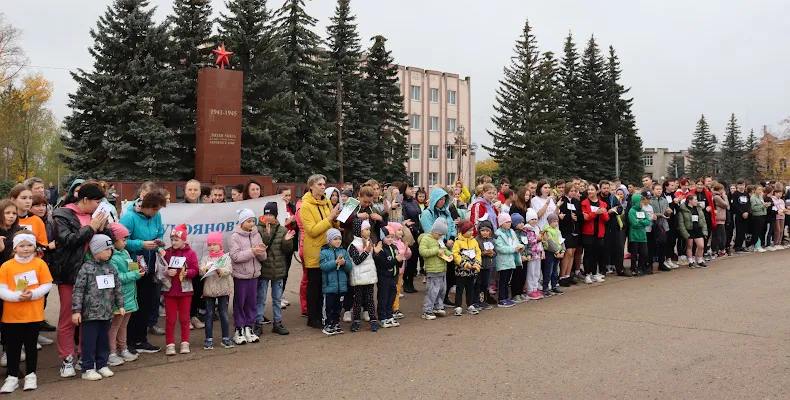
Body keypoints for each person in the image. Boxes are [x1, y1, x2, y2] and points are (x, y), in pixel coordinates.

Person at [52, 183, 114, 377]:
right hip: (70, 274)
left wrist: (103, 229)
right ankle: (66, 358)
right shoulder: (62, 215)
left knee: (89, 318)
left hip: (94, 275)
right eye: (97, 201)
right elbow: (67, 240)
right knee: (69, 318)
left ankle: (85, 357)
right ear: (85, 200)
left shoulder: (97, 216)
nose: (99, 206)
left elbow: (109, 242)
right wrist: (91, 227)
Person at [0, 232, 53, 393]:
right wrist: (17, 297)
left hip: (33, 313)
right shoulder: (7, 266)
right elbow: (2, 289)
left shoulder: (39, 264)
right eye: (22, 246)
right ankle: (12, 377)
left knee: (31, 346)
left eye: (29, 245)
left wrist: (33, 294)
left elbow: (47, 284)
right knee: (13, 347)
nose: (26, 249)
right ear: (15, 248)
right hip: (12, 315)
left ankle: (31, 375)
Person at [72, 234, 124, 381]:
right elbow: (78, 290)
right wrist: (76, 311)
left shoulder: (111, 268)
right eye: (106, 249)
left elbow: (117, 287)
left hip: (106, 312)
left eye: (111, 249)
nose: (110, 252)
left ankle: (102, 364)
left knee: (103, 340)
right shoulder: (86, 268)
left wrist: (120, 305)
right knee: (89, 342)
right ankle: (88, 368)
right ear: (96, 250)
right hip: (90, 314)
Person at [119, 189, 166, 354]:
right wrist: (142, 244)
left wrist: (158, 242)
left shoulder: (156, 216)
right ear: (145, 206)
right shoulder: (129, 217)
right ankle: (128, 342)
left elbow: (160, 231)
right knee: (133, 303)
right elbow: (122, 242)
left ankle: (141, 339)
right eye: (154, 209)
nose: (156, 213)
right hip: (132, 263)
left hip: (149, 263)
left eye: (158, 210)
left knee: (146, 301)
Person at [301, 175, 341, 329]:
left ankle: (322, 314)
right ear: (311, 186)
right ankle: (312, 317)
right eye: (319, 184)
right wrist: (330, 218)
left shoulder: (326, 202)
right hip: (314, 250)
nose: (323, 187)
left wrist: (336, 218)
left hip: (327, 249)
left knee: (324, 285)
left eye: (324, 184)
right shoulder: (305, 206)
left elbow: (332, 224)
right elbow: (311, 230)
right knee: (314, 285)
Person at [256, 202, 294, 336]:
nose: (268, 217)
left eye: (270, 214)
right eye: (266, 214)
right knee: (260, 298)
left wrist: (288, 240)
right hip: (263, 270)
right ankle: (258, 323)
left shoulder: (282, 230)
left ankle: (277, 323)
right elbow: (260, 248)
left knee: (277, 299)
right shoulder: (258, 229)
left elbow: (286, 250)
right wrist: (266, 235)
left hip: (278, 269)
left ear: (276, 215)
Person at [160, 224, 199, 356]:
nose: (173, 242)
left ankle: (185, 342)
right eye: (172, 239)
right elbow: (160, 269)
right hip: (169, 291)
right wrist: (167, 271)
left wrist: (186, 272)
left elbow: (195, 270)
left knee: (184, 319)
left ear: (183, 239)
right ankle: (170, 344)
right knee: (170, 319)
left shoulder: (191, 253)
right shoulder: (167, 252)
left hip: (185, 291)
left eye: (176, 239)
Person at [230, 209, 267, 344]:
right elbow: (235, 256)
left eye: (253, 221)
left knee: (252, 302)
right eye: (249, 221)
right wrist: (252, 251)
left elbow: (263, 257)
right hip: (241, 275)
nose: (252, 223)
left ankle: (248, 327)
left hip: (254, 274)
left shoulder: (256, 234)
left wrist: (261, 251)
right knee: (240, 302)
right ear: (242, 222)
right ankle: (238, 328)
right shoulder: (235, 236)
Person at [107, 223, 141, 367]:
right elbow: (116, 277)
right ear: (114, 240)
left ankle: (123, 348)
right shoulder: (112, 256)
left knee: (123, 325)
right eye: (123, 239)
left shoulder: (125, 252)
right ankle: (111, 352)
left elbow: (129, 268)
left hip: (129, 295)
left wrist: (137, 269)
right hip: (119, 297)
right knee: (115, 326)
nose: (125, 242)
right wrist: (134, 274)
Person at [200, 231, 233, 350]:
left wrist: (220, 271)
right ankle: (208, 339)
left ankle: (225, 338)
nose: (211, 247)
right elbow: (201, 270)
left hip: (224, 290)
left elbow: (228, 270)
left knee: (224, 314)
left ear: (220, 245)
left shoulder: (225, 257)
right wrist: (205, 269)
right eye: (209, 245)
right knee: (209, 314)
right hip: (209, 291)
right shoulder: (205, 258)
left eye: (214, 244)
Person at [319, 229, 352, 336]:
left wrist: (344, 263)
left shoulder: (343, 252)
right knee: (329, 306)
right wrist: (335, 262)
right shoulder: (324, 252)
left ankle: (336, 323)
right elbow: (323, 267)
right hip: (329, 286)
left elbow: (349, 267)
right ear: (329, 240)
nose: (338, 241)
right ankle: (328, 324)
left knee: (338, 306)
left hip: (341, 286)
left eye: (339, 239)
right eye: (335, 239)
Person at [348, 220, 379, 332]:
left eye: (369, 229)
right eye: (366, 229)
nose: (369, 232)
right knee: (358, 300)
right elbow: (356, 261)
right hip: (359, 277)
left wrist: (375, 252)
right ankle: (356, 320)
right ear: (359, 230)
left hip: (369, 276)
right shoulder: (353, 245)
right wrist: (366, 252)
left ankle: (373, 320)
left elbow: (370, 259)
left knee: (370, 299)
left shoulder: (369, 242)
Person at [418, 218, 452, 320]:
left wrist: (450, 255)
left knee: (442, 289)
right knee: (432, 291)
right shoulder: (426, 239)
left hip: (442, 269)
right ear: (435, 231)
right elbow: (423, 252)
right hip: (432, 270)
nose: (441, 237)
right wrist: (436, 251)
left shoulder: (439, 240)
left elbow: (444, 249)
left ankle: (438, 307)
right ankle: (427, 310)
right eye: (440, 234)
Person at [581, 183, 610, 283]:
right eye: (588, 190)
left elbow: (606, 218)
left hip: (599, 232)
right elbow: (586, 218)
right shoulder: (584, 203)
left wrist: (602, 213)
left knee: (596, 254)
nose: (589, 191)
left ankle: (594, 273)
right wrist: (595, 213)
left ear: (597, 191)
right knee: (588, 253)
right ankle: (587, 274)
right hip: (588, 232)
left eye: (592, 190)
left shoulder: (602, 204)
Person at [451, 220, 481, 316]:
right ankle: (458, 306)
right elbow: (456, 255)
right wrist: (464, 264)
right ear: (463, 231)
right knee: (460, 288)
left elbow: (478, 253)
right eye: (469, 230)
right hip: (461, 270)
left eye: (472, 230)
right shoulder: (458, 241)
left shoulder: (474, 241)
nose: (471, 232)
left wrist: (477, 264)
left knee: (470, 288)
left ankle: (470, 305)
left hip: (472, 270)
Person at [374, 227, 401, 327]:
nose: (390, 239)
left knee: (391, 297)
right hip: (384, 277)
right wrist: (396, 260)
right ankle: (382, 317)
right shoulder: (381, 249)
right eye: (387, 237)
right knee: (383, 297)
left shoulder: (394, 247)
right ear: (382, 238)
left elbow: (398, 263)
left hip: (393, 276)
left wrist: (400, 260)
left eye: (392, 237)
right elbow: (383, 264)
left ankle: (389, 316)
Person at [494, 213, 521, 308]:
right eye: (507, 222)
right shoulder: (497, 234)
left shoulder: (512, 232)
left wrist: (520, 247)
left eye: (510, 222)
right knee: (502, 280)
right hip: (502, 261)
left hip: (511, 260)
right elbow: (500, 248)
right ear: (501, 223)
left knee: (507, 280)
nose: (509, 224)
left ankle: (506, 297)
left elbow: (516, 242)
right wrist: (513, 249)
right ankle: (501, 298)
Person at [9, 185, 48, 250]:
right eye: (24, 198)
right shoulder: (5, 220)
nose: (28, 201)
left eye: (30, 198)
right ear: (13, 200)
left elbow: (43, 245)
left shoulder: (37, 220)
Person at [558, 182, 581, 287]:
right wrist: (569, 217)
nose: (573, 193)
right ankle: (562, 276)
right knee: (567, 252)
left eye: (574, 191)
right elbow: (561, 215)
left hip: (575, 230)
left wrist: (577, 217)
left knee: (572, 252)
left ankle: (568, 275)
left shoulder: (576, 202)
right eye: (571, 191)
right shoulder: (562, 200)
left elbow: (579, 214)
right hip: (565, 230)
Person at [399, 182, 422, 294]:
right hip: (408, 233)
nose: (412, 190)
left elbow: (419, 215)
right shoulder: (402, 202)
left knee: (414, 259)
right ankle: (406, 282)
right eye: (409, 188)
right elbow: (401, 216)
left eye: (412, 188)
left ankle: (411, 282)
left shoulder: (414, 202)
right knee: (408, 258)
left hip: (417, 232)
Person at [386, 222, 411, 319]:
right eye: (399, 230)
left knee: (397, 290)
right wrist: (403, 251)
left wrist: (407, 250)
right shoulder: (392, 243)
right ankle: (391, 307)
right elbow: (398, 254)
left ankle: (396, 308)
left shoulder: (401, 243)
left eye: (401, 230)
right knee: (391, 290)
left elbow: (407, 255)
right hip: (393, 271)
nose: (401, 232)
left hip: (400, 271)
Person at [628, 193, 656, 276]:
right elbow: (634, 224)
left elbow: (648, 222)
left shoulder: (643, 211)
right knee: (634, 253)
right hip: (634, 235)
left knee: (644, 253)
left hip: (642, 235)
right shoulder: (632, 211)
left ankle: (641, 267)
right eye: (641, 202)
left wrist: (640, 221)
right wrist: (642, 222)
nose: (642, 204)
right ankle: (633, 268)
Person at [679, 194, 708, 268]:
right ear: (690, 200)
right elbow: (681, 222)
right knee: (690, 246)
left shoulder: (698, 208)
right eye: (695, 199)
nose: (696, 201)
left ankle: (700, 260)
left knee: (701, 246)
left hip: (698, 229)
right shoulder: (683, 209)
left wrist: (704, 231)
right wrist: (685, 233)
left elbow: (703, 220)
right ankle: (691, 261)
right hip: (689, 230)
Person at [522, 209, 545, 300]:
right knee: (531, 271)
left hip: (537, 252)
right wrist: (537, 238)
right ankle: (530, 289)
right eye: (532, 219)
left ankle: (535, 287)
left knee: (536, 271)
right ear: (528, 220)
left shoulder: (537, 228)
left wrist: (540, 238)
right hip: (531, 253)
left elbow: (541, 238)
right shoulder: (526, 229)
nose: (534, 221)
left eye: (535, 219)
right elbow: (528, 240)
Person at [542, 213, 565, 296]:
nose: (556, 223)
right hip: (550, 253)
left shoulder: (558, 231)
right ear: (550, 222)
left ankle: (554, 286)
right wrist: (556, 252)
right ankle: (545, 287)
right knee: (549, 270)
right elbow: (550, 242)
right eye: (554, 221)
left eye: (557, 221)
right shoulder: (547, 231)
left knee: (555, 271)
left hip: (557, 253)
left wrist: (562, 251)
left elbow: (561, 241)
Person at [474, 220, 496, 309]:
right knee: (477, 284)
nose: (485, 233)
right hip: (479, 266)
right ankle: (476, 302)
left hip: (488, 266)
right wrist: (484, 253)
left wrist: (492, 254)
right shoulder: (476, 240)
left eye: (487, 231)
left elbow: (495, 252)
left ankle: (483, 301)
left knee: (484, 284)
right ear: (479, 231)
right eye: (483, 230)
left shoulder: (491, 240)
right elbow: (475, 253)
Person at [747, 185, 769, 252]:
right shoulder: (753, 198)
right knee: (756, 231)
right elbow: (753, 208)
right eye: (758, 189)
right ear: (755, 190)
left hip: (762, 215)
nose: (760, 191)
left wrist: (766, 206)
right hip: (756, 216)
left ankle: (758, 245)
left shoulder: (760, 197)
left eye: (761, 190)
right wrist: (763, 205)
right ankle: (754, 245)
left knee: (760, 231)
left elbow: (762, 206)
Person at [731, 180, 750, 253]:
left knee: (743, 231)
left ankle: (741, 245)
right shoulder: (735, 194)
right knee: (738, 230)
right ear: (737, 186)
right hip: (739, 215)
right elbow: (735, 205)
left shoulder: (746, 194)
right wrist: (742, 213)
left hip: (746, 214)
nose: (741, 186)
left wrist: (747, 212)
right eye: (740, 185)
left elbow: (748, 204)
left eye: (743, 185)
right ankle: (737, 246)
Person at [712, 184, 730, 257]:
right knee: (719, 236)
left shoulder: (719, 197)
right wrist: (725, 197)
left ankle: (720, 249)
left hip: (722, 218)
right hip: (718, 218)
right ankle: (717, 250)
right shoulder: (717, 197)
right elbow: (726, 205)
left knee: (722, 235)